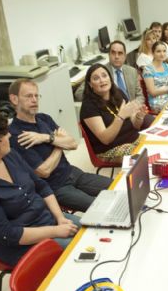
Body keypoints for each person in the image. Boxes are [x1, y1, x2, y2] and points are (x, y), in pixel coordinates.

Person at [0, 110, 80, 266]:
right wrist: (56, 231)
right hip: (21, 245)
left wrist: (60, 218)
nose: (9, 136)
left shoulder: (9, 156)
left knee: (95, 233)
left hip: (50, 221)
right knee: (82, 252)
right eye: (4, 133)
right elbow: (9, 235)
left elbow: (42, 186)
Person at [8, 79, 112, 212]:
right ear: (14, 99)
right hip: (56, 187)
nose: (34, 100)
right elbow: (44, 171)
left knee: (117, 187)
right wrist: (58, 143)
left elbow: (73, 143)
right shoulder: (16, 135)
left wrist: (46, 138)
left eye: (36, 95)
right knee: (100, 207)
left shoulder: (44, 118)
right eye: (29, 96)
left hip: (72, 172)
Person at [80, 63, 149, 163]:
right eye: (96, 78)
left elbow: (136, 126)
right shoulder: (88, 106)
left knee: (156, 144)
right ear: (90, 84)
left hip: (133, 139)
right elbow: (106, 139)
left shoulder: (118, 93)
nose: (102, 80)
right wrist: (121, 116)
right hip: (109, 149)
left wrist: (139, 117)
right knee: (142, 158)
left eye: (104, 76)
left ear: (110, 78)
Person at [76, 40, 144, 103]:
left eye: (120, 53)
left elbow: (140, 96)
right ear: (109, 54)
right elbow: (78, 93)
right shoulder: (100, 72)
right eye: (113, 53)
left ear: (125, 56)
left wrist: (134, 107)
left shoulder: (132, 71)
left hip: (132, 110)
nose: (116, 56)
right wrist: (100, 96)